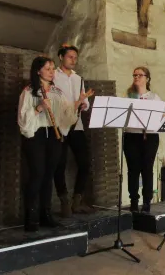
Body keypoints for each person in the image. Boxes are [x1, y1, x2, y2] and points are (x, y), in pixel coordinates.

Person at [18, 56, 81, 232]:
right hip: (36, 136)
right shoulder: (29, 91)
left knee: (48, 176)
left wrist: (77, 104)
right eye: (48, 69)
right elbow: (23, 120)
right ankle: (31, 217)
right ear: (38, 71)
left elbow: (66, 115)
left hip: (54, 136)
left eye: (53, 68)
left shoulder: (57, 92)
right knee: (37, 174)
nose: (52, 72)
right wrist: (38, 108)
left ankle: (45, 214)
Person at [53, 44, 95, 217]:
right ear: (61, 57)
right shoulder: (53, 75)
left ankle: (77, 201)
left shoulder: (79, 79)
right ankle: (64, 201)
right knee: (59, 164)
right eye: (70, 56)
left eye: (75, 57)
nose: (73, 60)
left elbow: (85, 102)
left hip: (76, 125)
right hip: (59, 125)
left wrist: (84, 103)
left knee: (85, 163)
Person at [125, 66, 161, 213]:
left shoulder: (154, 97)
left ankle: (147, 202)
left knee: (147, 170)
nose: (137, 77)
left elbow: (159, 116)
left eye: (140, 75)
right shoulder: (128, 96)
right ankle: (134, 200)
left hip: (150, 136)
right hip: (131, 136)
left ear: (147, 78)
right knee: (133, 170)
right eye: (134, 75)